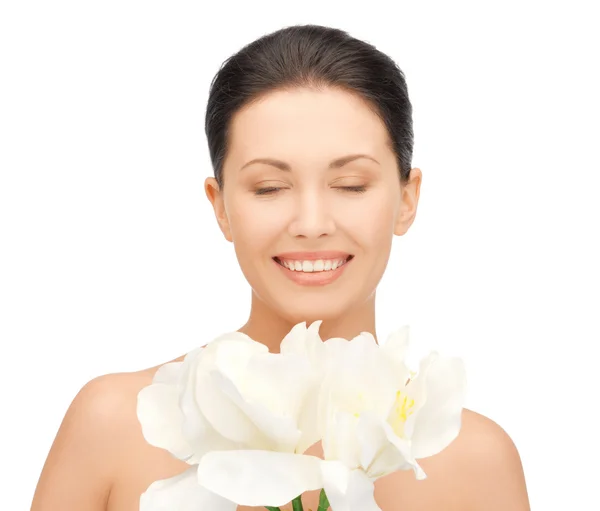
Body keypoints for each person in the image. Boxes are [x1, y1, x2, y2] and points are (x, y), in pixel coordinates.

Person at [30, 24, 530, 511]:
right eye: (269, 188)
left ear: (407, 199)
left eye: (351, 184)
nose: (311, 224)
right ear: (220, 206)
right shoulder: (117, 423)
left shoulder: (477, 463)